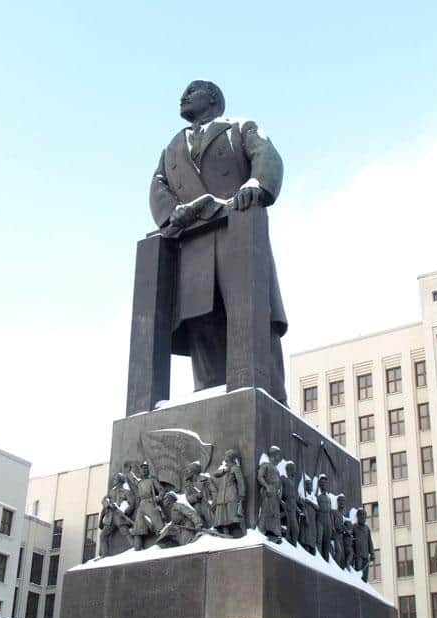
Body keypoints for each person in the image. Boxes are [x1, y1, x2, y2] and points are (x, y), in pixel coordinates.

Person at [149, 80, 287, 403]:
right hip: (195, 250)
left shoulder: (238, 128)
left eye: (191, 91)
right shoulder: (172, 147)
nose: (183, 96)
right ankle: (211, 405)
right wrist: (172, 214)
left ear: (212, 98)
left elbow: (267, 156)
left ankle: (272, 404)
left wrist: (257, 185)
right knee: (203, 331)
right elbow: (158, 185)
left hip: (237, 235)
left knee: (255, 330)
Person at [98, 473, 137, 557]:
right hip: (110, 518)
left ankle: (136, 548)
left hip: (120, 516)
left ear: (120, 480)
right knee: (103, 536)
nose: (114, 481)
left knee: (126, 533)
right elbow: (104, 500)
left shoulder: (126, 492)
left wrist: (125, 511)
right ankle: (104, 555)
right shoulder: (111, 491)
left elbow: (132, 503)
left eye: (116, 479)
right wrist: (108, 504)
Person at [131, 462, 165, 550]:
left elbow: (161, 490)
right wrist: (128, 471)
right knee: (138, 529)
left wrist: (158, 498)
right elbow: (132, 479)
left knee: (159, 526)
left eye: (146, 469)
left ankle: (163, 545)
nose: (144, 471)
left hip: (151, 503)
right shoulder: (139, 483)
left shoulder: (152, 480)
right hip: (142, 505)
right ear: (140, 471)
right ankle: (137, 549)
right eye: (143, 469)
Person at [212, 450, 246, 536]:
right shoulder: (224, 467)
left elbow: (240, 482)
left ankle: (236, 531)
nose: (225, 458)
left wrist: (242, 494)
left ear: (230, 458)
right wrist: (224, 470)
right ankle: (224, 529)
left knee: (231, 514)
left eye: (226, 456)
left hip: (231, 494)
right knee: (222, 513)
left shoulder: (235, 468)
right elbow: (215, 474)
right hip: (222, 494)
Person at [257, 446, 283, 543]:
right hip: (268, 491)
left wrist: (280, 492)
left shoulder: (276, 469)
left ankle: (273, 532)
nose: (279, 457)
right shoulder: (266, 465)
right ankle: (261, 531)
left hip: (275, 493)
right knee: (265, 511)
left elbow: (279, 483)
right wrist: (267, 486)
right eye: (278, 455)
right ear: (273, 455)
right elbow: (260, 476)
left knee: (274, 514)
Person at [183, 461, 217, 527]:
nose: (186, 472)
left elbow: (214, 491)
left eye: (188, 470)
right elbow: (188, 499)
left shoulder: (206, 480)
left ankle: (214, 527)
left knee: (206, 507)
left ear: (194, 471)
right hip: (196, 507)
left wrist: (213, 502)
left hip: (209, 505)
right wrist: (197, 496)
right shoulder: (187, 485)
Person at [281, 461, 301, 546]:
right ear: (288, 470)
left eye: (294, 469)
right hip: (288, 506)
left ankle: (293, 546)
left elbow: (294, 498)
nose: (294, 471)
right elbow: (280, 493)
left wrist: (297, 508)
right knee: (295, 529)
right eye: (292, 469)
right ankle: (292, 546)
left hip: (293, 508)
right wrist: (282, 502)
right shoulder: (284, 480)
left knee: (294, 529)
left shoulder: (293, 484)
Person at [353, 508, 375, 582]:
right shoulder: (354, 527)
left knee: (365, 577)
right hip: (358, 555)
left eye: (364, 516)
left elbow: (369, 541)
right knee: (358, 573)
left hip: (366, 555)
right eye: (361, 516)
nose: (363, 518)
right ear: (358, 517)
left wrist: (372, 553)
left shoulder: (367, 528)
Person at [316, 474, 333, 561]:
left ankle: (326, 561)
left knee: (327, 542)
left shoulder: (329, 498)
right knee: (319, 540)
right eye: (322, 483)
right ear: (319, 484)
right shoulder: (317, 495)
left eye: (325, 483)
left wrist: (332, 525)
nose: (324, 485)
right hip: (320, 518)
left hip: (328, 520)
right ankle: (319, 560)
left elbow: (330, 512)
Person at [299, 478, 318, 555]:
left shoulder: (313, 497)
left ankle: (311, 548)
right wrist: (306, 516)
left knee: (312, 536)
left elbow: (317, 507)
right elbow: (302, 506)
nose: (310, 486)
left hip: (313, 520)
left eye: (310, 485)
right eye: (308, 485)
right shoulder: (303, 495)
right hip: (306, 519)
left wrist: (310, 502)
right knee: (306, 536)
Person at [332, 494, 347, 568]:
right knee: (339, 552)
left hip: (340, 537)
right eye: (340, 500)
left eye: (343, 501)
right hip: (335, 537)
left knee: (342, 556)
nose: (342, 502)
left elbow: (340, 525)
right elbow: (336, 526)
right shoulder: (335, 512)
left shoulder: (341, 514)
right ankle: (336, 569)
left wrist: (345, 530)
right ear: (337, 502)